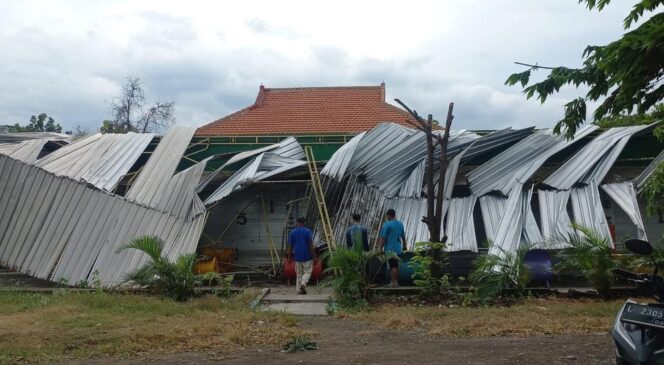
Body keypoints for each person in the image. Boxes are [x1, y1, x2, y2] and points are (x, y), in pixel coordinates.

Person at [287, 217, 316, 295]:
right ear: (304, 222)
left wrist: (289, 257)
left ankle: (298, 290)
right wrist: (314, 256)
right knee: (308, 272)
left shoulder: (292, 232)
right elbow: (310, 245)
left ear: (297, 222)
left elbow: (290, 247)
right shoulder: (307, 231)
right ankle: (303, 284)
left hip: (297, 256)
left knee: (298, 274)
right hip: (307, 256)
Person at [379, 209, 406, 287]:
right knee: (396, 265)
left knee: (392, 266)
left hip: (390, 249)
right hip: (398, 248)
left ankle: (394, 282)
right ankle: (396, 282)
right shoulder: (400, 224)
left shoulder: (387, 225)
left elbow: (383, 238)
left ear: (388, 215)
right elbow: (403, 236)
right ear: (394, 214)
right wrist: (404, 246)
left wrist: (380, 248)